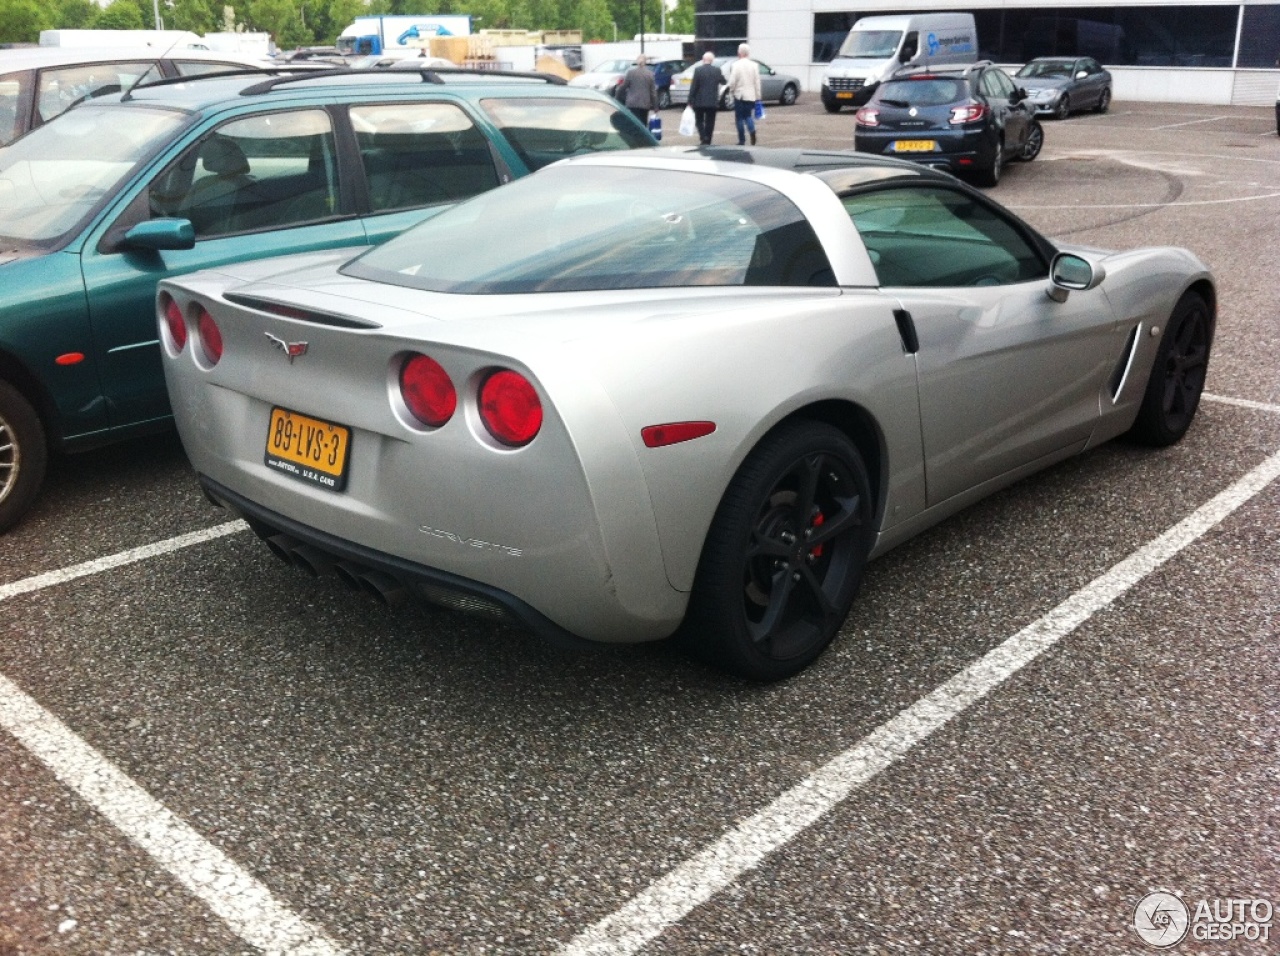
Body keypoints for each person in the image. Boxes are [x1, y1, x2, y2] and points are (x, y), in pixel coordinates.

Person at [726, 43, 763, 146]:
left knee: (739, 118)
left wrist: (731, 91)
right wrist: (758, 96)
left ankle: (742, 140)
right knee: (748, 116)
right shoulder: (754, 65)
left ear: (739, 53)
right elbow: (757, 82)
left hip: (740, 95)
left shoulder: (736, 65)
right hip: (751, 95)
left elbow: (732, 81)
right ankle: (752, 131)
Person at [687, 51, 726, 146]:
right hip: (712, 101)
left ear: (703, 60)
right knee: (710, 121)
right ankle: (708, 139)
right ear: (712, 60)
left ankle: (703, 136)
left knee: (699, 120)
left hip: (699, 101)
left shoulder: (698, 70)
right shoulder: (717, 70)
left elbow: (694, 86)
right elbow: (723, 82)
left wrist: (690, 100)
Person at [621, 55, 659, 129]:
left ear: (637, 62)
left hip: (632, 104)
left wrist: (617, 98)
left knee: (634, 124)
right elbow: (653, 92)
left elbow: (623, 87)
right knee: (643, 125)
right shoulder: (650, 74)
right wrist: (655, 106)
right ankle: (642, 139)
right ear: (645, 62)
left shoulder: (630, 73)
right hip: (645, 104)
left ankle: (634, 138)